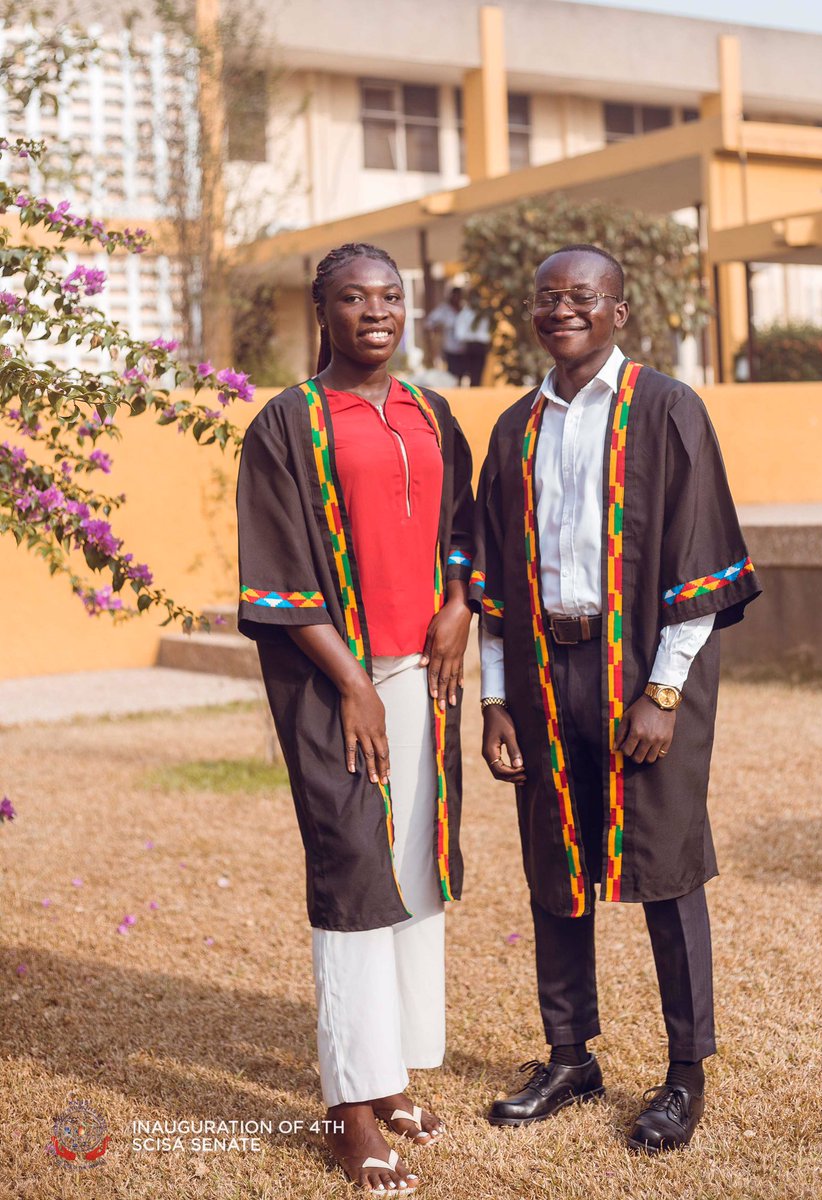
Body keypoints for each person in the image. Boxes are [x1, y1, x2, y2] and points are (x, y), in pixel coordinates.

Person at [470, 244, 761, 1153]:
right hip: (541, 677)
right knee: (555, 866)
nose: (564, 310)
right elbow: (489, 584)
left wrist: (664, 691)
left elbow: (699, 557)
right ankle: (569, 1053)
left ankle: (684, 1072)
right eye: (548, 296)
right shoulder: (514, 428)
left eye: (583, 297)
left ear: (618, 313)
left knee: (667, 866)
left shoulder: (668, 410)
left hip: (638, 670)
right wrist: (495, 702)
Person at [236, 242, 475, 1194]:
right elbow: (278, 574)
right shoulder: (286, 425)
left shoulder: (431, 410)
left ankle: (395, 1073)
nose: (375, 311)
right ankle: (351, 1109)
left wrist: (460, 603)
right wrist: (354, 682)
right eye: (352, 298)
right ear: (321, 310)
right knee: (350, 873)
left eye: (389, 296)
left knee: (413, 864)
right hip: (335, 680)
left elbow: (467, 531)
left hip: (427, 672)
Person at [424, 286, 469, 382]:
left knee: (463, 374)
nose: (457, 298)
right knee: (452, 375)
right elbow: (429, 322)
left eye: (459, 296)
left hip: (465, 348)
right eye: (455, 296)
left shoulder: (465, 310)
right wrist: (436, 329)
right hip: (450, 348)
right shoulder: (443, 310)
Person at [452, 296, 491, 387]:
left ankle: (475, 391)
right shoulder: (465, 314)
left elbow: (487, 333)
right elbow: (459, 333)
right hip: (468, 346)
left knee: (477, 374)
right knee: (465, 372)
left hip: (479, 346)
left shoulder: (483, 314)